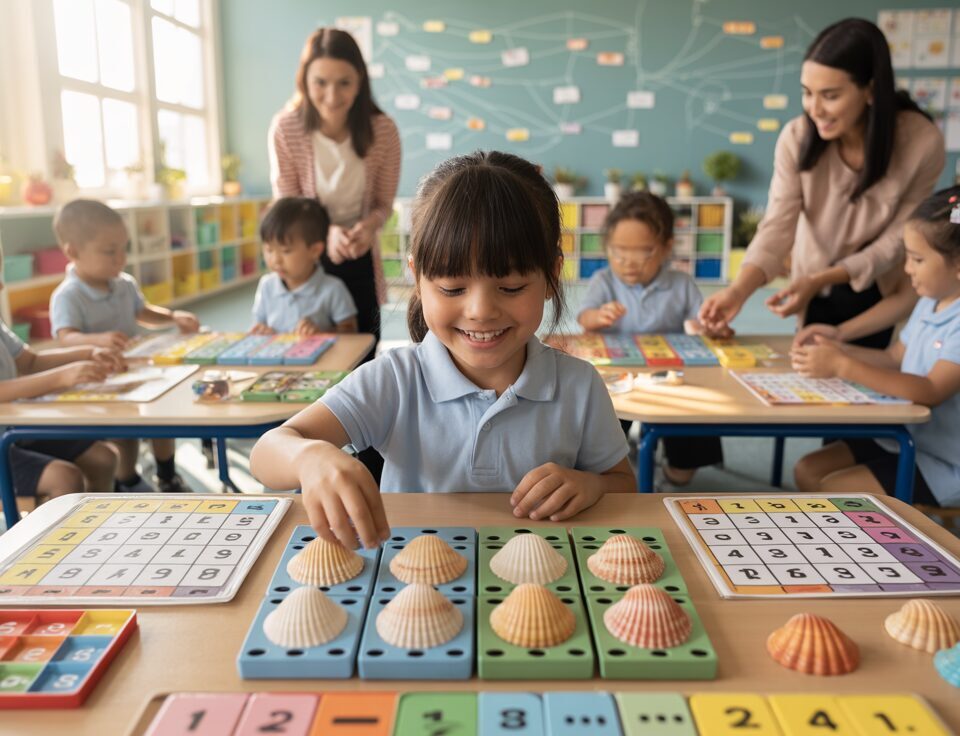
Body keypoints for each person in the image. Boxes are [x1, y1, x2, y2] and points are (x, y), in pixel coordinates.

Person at [250, 152, 636, 549]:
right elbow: (268, 451)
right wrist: (310, 457)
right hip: (412, 590)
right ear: (417, 277)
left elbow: (623, 484)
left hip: (545, 587)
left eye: (512, 287)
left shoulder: (579, 385)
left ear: (552, 275)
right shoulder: (395, 379)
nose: (481, 311)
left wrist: (592, 485)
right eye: (453, 289)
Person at [700, 18, 944, 348]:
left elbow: (896, 240)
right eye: (807, 93)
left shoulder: (920, 142)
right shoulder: (796, 138)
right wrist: (738, 290)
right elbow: (777, 226)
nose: (815, 110)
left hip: (878, 286)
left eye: (830, 95)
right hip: (812, 286)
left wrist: (821, 279)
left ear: (870, 90)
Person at [791, 187, 960, 508]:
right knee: (808, 471)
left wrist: (843, 366)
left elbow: (931, 390)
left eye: (917, 259)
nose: (907, 269)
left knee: (836, 493)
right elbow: (894, 357)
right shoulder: (931, 300)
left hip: (947, 462)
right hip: (908, 437)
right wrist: (835, 347)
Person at [49, 199, 199, 493]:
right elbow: (65, 337)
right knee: (125, 432)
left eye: (123, 248)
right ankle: (126, 479)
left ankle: (166, 474)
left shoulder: (123, 283)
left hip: (134, 368)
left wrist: (171, 316)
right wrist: (96, 340)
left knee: (162, 411)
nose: (120, 258)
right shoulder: (68, 295)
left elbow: (141, 311)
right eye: (109, 251)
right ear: (72, 252)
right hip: (99, 379)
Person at [577, 191, 725, 486]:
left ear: (667, 247)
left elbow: (700, 323)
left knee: (682, 472)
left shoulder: (681, 284)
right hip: (617, 381)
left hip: (669, 378)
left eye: (643, 252)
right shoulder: (604, 281)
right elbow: (584, 319)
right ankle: (629, 451)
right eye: (618, 252)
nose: (628, 263)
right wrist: (598, 316)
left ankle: (667, 469)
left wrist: (711, 327)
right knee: (597, 453)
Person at [269, 27, 400, 352]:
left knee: (363, 350)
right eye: (320, 82)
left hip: (359, 254)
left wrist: (369, 226)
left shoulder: (383, 131)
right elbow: (286, 205)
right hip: (306, 255)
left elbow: (384, 203)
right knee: (306, 348)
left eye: (344, 82)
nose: (332, 95)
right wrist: (326, 234)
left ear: (360, 81)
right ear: (304, 81)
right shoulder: (286, 128)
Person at [0, 249, 120, 509]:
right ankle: (59, 548)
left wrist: (87, 352)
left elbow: (30, 362)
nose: (1, 285)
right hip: (6, 440)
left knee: (104, 458)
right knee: (64, 478)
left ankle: (99, 532)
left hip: (10, 431)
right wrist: (60, 378)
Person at [251, 197, 358, 335]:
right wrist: (260, 331)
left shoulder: (333, 289)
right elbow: (257, 325)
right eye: (269, 250)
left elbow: (351, 331)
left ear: (315, 251)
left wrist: (320, 334)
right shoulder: (266, 285)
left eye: (286, 251)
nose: (275, 260)